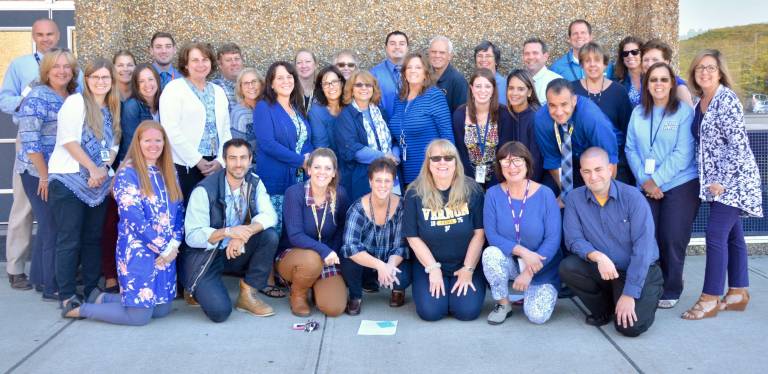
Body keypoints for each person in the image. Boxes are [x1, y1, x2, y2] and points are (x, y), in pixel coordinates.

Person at [62, 121, 183, 325]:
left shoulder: (169, 171)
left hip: (166, 252)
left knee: (161, 310)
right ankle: (81, 309)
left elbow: (179, 212)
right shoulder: (128, 173)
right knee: (140, 317)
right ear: (138, 143)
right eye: (147, 140)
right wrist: (163, 248)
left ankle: (103, 299)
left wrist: (173, 246)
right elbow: (134, 218)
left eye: (158, 140)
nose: (153, 145)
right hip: (138, 250)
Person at [681, 50, 763, 320]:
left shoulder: (726, 100)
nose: (704, 72)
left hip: (733, 181)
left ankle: (710, 298)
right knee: (732, 234)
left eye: (711, 68)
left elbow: (738, 147)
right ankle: (738, 292)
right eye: (699, 68)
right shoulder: (701, 101)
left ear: (720, 71)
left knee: (715, 234)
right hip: (716, 183)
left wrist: (721, 182)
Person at [559, 147, 663, 337]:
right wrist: (597, 256)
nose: (593, 176)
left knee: (631, 328)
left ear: (610, 169)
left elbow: (643, 249)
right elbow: (573, 240)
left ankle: (645, 292)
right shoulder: (574, 198)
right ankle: (604, 310)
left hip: (638, 269)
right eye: (587, 171)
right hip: (603, 269)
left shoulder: (633, 198)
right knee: (568, 266)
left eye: (598, 170)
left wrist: (630, 293)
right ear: (581, 172)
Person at [0, 18, 69, 291]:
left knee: (60, 209)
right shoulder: (20, 65)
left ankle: (53, 269)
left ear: (58, 34)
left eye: (50, 34)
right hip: (30, 139)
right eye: (40, 34)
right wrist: (29, 101)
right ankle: (16, 267)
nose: (45, 38)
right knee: (24, 204)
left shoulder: (68, 62)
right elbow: (4, 99)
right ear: (33, 36)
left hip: (64, 143)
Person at [49, 58, 121, 311]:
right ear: (86, 80)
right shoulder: (75, 103)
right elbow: (69, 140)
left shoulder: (112, 108)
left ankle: (91, 289)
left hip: (98, 183)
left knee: (93, 238)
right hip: (69, 181)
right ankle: (67, 294)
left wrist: (103, 169)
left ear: (111, 81)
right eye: (95, 77)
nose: (100, 82)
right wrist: (92, 168)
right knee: (69, 239)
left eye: (105, 78)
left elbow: (113, 145)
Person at [625, 62, 699, 309]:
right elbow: (630, 148)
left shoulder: (683, 112)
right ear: (646, 85)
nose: (658, 84)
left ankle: (671, 288)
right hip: (646, 184)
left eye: (663, 80)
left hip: (679, 183)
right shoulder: (638, 113)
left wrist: (656, 180)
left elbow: (683, 153)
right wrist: (645, 181)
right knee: (648, 237)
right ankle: (650, 285)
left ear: (672, 84)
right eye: (653, 80)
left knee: (672, 237)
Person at [182, 138, 281, 322]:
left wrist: (244, 233)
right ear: (225, 160)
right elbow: (192, 236)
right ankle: (192, 286)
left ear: (250, 160)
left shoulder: (254, 182)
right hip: (205, 256)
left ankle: (248, 293)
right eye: (232, 158)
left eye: (243, 158)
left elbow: (270, 215)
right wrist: (228, 232)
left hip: (234, 250)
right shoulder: (204, 190)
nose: (238, 164)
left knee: (269, 235)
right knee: (219, 313)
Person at [14, 48, 78, 300]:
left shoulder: (72, 95)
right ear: (46, 70)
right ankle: (52, 285)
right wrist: (43, 175)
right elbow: (30, 142)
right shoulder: (38, 97)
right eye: (56, 67)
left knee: (51, 226)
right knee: (52, 225)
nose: (62, 71)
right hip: (37, 172)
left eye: (66, 67)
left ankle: (41, 278)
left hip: (62, 172)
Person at [403, 139, 486, 321]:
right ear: (428, 163)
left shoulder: (472, 190)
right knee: (431, 312)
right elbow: (413, 237)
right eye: (436, 158)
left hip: (464, 262)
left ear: (456, 162)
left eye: (448, 158)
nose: (442, 162)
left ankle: (454, 292)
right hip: (429, 263)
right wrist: (433, 269)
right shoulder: (414, 193)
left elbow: (479, 234)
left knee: (466, 312)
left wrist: (468, 268)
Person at [482, 141, 561, 324]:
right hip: (512, 261)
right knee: (491, 254)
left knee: (537, 317)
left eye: (517, 161)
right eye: (506, 162)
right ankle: (503, 303)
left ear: (527, 163)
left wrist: (529, 272)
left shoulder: (545, 194)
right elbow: (492, 235)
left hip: (541, 265)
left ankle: (533, 291)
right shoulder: (493, 194)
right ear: (499, 166)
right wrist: (523, 252)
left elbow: (553, 239)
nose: (512, 167)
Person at [101, 63, 162, 293]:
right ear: (136, 86)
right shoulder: (132, 107)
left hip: (157, 172)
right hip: (132, 171)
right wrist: (123, 175)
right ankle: (111, 275)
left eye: (151, 80)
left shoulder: (162, 105)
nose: (147, 85)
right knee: (117, 225)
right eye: (142, 81)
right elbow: (130, 144)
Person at [277, 148, 349, 317]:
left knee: (334, 308)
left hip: (326, 258)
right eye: (317, 167)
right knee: (311, 260)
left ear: (334, 173)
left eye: (327, 168)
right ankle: (298, 294)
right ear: (308, 170)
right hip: (294, 255)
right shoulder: (294, 193)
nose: (321, 172)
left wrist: (332, 253)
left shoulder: (340, 194)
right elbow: (295, 235)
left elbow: (342, 228)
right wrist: (324, 251)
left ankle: (314, 286)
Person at [159, 42, 232, 203]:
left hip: (215, 165)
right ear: (186, 64)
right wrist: (197, 161)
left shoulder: (218, 91)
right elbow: (170, 130)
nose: (201, 64)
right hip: (185, 165)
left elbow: (226, 130)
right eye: (195, 60)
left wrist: (221, 160)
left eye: (205, 59)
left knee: (213, 214)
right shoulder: (174, 89)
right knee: (188, 213)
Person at [341, 158, 411, 314]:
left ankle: (397, 290)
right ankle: (355, 296)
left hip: (391, 258)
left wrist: (390, 266)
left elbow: (402, 245)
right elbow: (350, 246)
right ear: (370, 182)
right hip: (367, 262)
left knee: (405, 272)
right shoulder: (357, 208)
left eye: (388, 181)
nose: (383, 185)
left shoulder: (402, 206)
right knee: (348, 260)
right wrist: (379, 266)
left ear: (393, 183)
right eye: (378, 180)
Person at [253, 61, 313, 235]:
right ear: (271, 83)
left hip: (299, 179)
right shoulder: (264, 107)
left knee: (295, 232)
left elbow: (305, 139)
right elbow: (268, 144)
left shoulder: (296, 107)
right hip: (276, 180)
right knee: (276, 231)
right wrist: (301, 161)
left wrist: (312, 160)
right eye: (280, 77)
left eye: (289, 76)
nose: (286, 81)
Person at [534, 79, 618, 203]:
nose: (559, 112)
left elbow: (610, 160)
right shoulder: (541, 119)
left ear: (574, 100)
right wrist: (568, 195)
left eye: (564, 104)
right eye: (552, 105)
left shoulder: (591, 117)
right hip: (568, 165)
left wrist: (601, 197)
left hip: (598, 163)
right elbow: (552, 160)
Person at [572, 42, 634, 185]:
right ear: (581, 64)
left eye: (597, 60)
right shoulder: (571, 89)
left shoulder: (619, 92)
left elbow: (627, 131)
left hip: (613, 162)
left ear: (605, 64)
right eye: (587, 60)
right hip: (581, 165)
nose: (592, 64)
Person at [335, 70, 400, 201]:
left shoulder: (380, 112)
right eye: (359, 85)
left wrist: (395, 156)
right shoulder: (346, 115)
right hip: (362, 179)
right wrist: (384, 157)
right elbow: (352, 149)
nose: (364, 88)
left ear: (373, 88)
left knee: (392, 212)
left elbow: (394, 139)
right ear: (351, 89)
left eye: (368, 85)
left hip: (389, 174)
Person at [389, 53, 453, 185]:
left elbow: (447, 138)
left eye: (418, 67)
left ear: (425, 73)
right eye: (409, 67)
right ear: (404, 73)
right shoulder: (399, 99)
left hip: (431, 173)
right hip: (405, 172)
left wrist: (447, 171)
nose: (413, 71)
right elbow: (397, 136)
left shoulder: (434, 95)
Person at [453, 68, 503, 187]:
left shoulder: (503, 113)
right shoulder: (459, 114)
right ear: (471, 88)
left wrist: (494, 184)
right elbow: (460, 152)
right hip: (468, 179)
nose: (482, 90)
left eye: (487, 86)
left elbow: (504, 150)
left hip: (498, 178)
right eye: (478, 86)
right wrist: (472, 183)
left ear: (493, 89)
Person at [502, 69, 546, 186]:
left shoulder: (536, 118)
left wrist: (524, 188)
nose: (514, 93)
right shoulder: (504, 114)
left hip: (533, 182)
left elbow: (536, 163)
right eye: (511, 88)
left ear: (529, 92)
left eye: (520, 89)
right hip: (510, 177)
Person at [640, 39, 693, 106]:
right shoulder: (644, 82)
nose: (649, 64)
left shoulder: (679, 88)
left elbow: (689, 114)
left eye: (655, 60)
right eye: (646, 60)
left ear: (666, 62)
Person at [370, 31, 409, 120]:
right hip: (386, 127)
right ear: (386, 48)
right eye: (392, 43)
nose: (397, 47)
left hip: (415, 127)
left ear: (407, 48)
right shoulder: (374, 74)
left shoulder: (416, 71)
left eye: (402, 44)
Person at [308, 65, 345, 152]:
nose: (331, 86)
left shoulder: (350, 106)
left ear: (342, 83)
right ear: (321, 88)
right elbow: (322, 147)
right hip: (329, 160)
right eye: (325, 83)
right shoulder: (316, 112)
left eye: (334, 81)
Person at [429, 36, 468, 113]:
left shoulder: (458, 81)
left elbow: (462, 115)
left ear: (449, 56)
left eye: (442, 52)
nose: (437, 55)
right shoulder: (425, 77)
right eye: (433, 52)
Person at [229, 68, 263, 155]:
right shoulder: (239, 114)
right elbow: (239, 150)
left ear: (261, 84)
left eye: (254, 81)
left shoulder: (268, 107)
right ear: (240, 88)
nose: (251, 86)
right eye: (246, 83)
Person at [522, 37, 562, 104]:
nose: (531, 57)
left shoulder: (557, 82)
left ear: (545, 57)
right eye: (527, 53)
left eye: (535, 53)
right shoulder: (519, 81)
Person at [211, 43, 244, 112]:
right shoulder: (214, 89)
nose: (234, 63)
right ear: (220, 64)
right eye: (228, 60)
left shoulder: (251, 85)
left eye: (237, 59)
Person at [613, 36, 644, 107]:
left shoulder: (652, 78)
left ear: (642, 54)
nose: (630, 56)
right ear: (622, 58)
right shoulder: (617, 82)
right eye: (625, 53)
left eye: (635, 52)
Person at [473, 40, 506, 105]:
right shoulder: (473, 84)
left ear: (496, 61)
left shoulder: (504, 85)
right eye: (480, 56)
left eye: (488, 56)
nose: (483, 59)